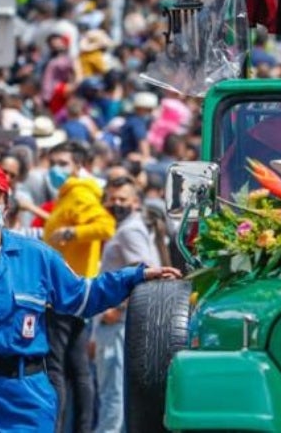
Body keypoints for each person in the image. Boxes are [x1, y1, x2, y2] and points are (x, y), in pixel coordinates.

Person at [0, 161, 179, 433]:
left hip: (20, 398)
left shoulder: (37, 256)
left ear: (6, 207)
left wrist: (134, 276)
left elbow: (81, 298)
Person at [42, 142, 116, 433]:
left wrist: (70, 232)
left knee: (57, 369)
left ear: (77, 166)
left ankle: (57, 428)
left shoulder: (79, 192)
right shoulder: (70, 193)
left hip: (65, 292)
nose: (56, 169)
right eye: (53, 162)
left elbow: (106, 226)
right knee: (77, 369)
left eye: (62, 162)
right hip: (73, 292)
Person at [93, 177, 160, 433]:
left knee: (113, 396)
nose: (116, 204)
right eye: (111, 199)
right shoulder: (127, 228)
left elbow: (148, 274)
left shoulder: (130, 230)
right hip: (117, 323)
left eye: (122, 199)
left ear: (135, 201)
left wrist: (117, 308)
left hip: (119, 324)